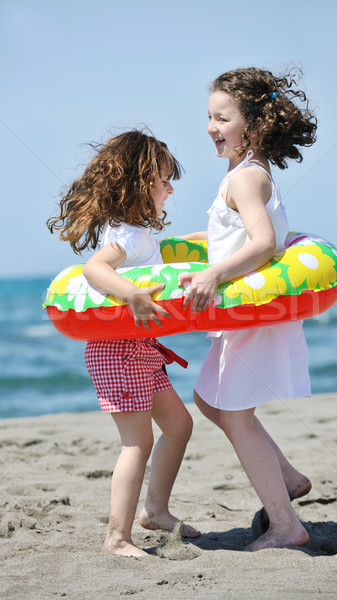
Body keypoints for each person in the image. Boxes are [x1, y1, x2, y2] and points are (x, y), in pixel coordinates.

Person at [179, 67, 317, 551]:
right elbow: (233, 233)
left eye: (222, 117)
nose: (212, 127)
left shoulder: (247, 177)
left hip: (253, 316)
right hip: (241, 318)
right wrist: (189, 246)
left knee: (235, 416)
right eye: (209, 117)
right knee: (209, 400)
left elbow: (263, 242)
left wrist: (215, 274)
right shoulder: (243, 173)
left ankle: (286, 526)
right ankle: (289, 477)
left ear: (253, 125)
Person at [47, 130, 200, 557]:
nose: (170, 189)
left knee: (180, 426)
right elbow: (95, 267)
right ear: (139, 183)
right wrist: (131, 295)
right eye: (164, 180)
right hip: (117, 349)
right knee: (138, 443)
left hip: (141, 349)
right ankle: (117, 538)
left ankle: (156, 511)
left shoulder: (138, 234)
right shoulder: (127, 235)